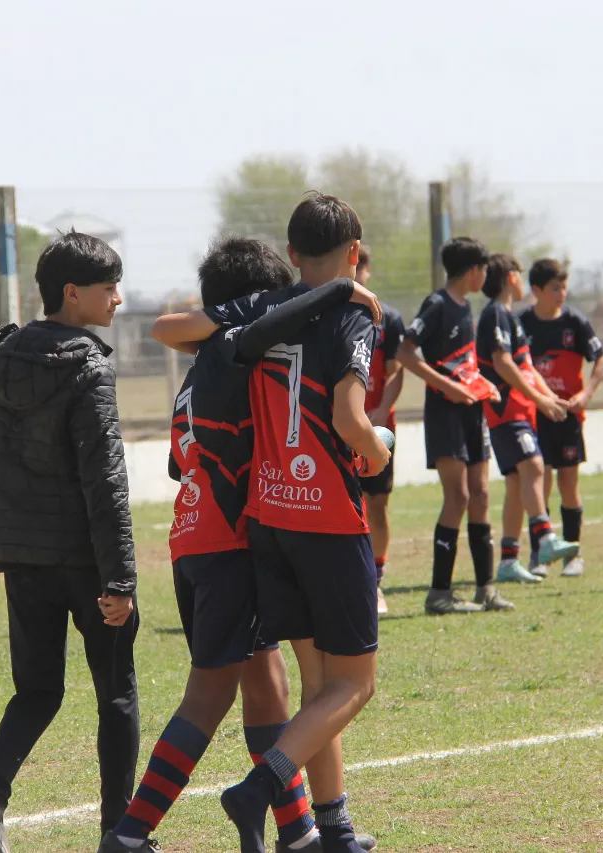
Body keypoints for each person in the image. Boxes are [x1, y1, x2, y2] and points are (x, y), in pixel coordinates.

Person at [99, 240, 374, 853]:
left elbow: (179, 463)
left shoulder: (195, 375)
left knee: (268, 684)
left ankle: (297, 830)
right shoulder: (239, 356)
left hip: (191, 539)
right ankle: (131, 834)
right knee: (210, 696)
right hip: (232, 543)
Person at [0, 231, 141, 853]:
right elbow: (106, 479)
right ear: (72, 294)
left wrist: (6, 540)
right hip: (85, 558)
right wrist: (120, 578)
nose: (118, 298)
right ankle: (120, 833)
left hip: (21, 553)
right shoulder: (88, 365)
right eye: (108, 287)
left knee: (37, 690)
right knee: (115, 694)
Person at [217, 193, 389, 853]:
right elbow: (350, 420)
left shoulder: (266, 310)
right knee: (356, 683)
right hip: (326, 518)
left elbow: (180, 329)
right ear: (354, 255)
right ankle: (258, 789)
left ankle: (333, 826)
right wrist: (376, 452)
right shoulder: (350, 314)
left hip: (272, 515)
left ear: (291, 255)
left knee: (319, 684)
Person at [397, 237, 501, 615]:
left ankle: (485, 588)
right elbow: (405, 352)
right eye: (484, 269)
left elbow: (463, 363)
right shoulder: (437, 304)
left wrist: (482, 385)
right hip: (445, 414)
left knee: (482, 494)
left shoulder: (467, 307)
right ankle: (439, 593)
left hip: (472, 412)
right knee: (456, 496)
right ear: (473, 270)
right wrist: (450, 388)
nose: (485, 276)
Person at [476, 254, 576, 590]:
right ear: (510, 277)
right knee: (534, 466)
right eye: (518, 274)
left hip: (523, 410)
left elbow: (528, 367)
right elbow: (503, 364)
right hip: (506, 412)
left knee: (518, 484)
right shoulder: (494, 314)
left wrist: (549, 398)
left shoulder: (510, 317)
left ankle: (508, 560)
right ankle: (545, 536)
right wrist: (539, 399)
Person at [517, 258, 603, 577]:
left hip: (567, 415)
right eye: (555, 288)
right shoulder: (522, 323)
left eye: (564, 287)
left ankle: (573, 552)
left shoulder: (575, 322)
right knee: (539, 482)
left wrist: (587, 394)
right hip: (534, 413)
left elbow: (600, 359)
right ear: (537, 290)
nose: (562, 294)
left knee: (568, 481)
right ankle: (539, 554)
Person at [355, 245, 406, 615]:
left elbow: (397, 369)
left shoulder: (388, 317)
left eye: (359, 268)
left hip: (379, 427)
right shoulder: (330, 314)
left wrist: (382, 409)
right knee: (343, 504)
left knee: (377, 502)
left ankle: (376, 581)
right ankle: (349, 580)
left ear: (367, 270)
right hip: (339, 428)